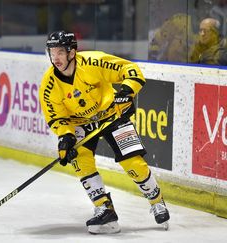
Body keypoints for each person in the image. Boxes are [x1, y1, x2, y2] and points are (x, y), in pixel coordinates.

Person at [39, 30, 170, 234]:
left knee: (132, 162)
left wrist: (126, 93)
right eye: (52, 52)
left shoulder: (93, 61)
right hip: (80, 124)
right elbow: (56, 117)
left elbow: (131, 69)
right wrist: (65, 137)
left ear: (72, 52)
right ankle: (105, 209)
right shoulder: (49, 85)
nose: (55, 58)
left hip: (111, 115)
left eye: (59, 52)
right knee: (81, 160)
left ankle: (157, 201)